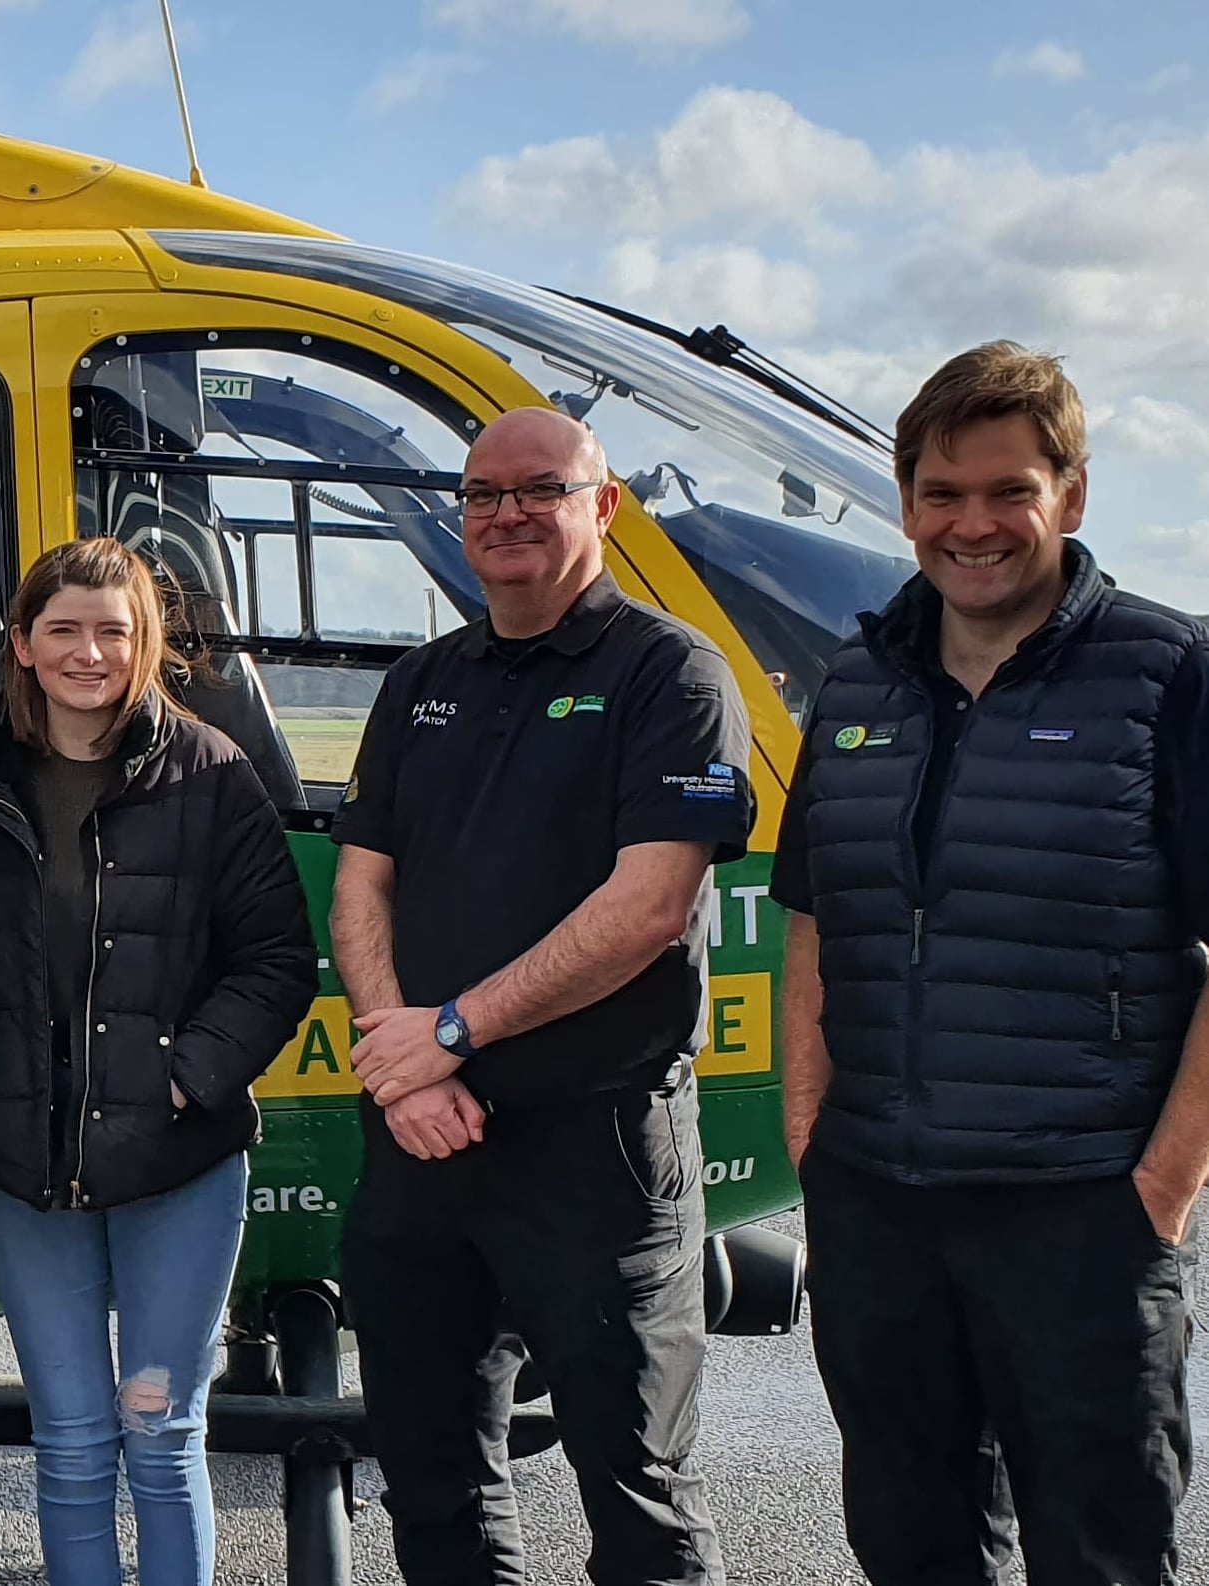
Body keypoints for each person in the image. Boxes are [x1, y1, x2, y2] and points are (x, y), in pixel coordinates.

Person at [771, 341, 1209, 1585]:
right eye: (940, 493)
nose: (971, 525)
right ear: (904, 499)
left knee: (1098, 1550)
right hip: (878, 1204)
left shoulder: (1164, 674)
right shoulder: (857, 677)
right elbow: (810, 914)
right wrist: (814, 1134)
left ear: (1067, 497)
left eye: (1006, 490)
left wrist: (1161, 1186)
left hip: (1077, 1204)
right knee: (906, 1540)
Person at [330, 406, 754, 1586]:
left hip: (596, 1146)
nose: (506, 512)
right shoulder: (420, 679)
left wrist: (452, 1031)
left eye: (539, 489)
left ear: (601, 506)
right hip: (423, 1142)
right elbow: (363, 887)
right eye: (480, 493)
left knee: (639, 1493)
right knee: (433, 1479)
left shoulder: (669, 672)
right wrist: (399, 1057)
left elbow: (649, 905)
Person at [0, 536, 317, 1586]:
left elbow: (277, 958)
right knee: (67, 1440)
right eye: (63, 628)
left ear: (146, 640)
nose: (88, 651)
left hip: (176, 1159)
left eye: (113, 629)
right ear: (21, 642)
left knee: (158, 1427)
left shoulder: (212, 774)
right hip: (27, 1163)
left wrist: (185, 1074)